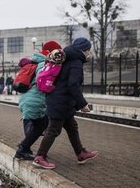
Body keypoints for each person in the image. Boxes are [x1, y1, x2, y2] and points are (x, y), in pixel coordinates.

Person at [33, 37, 98, 169]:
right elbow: (73, 85)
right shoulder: (76, 63)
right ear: (85, 50)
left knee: (72, 128)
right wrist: (83, 104)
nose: (89, 53)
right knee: (53, 130)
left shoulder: (66, 57)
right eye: (89, 50)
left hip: (59, 100)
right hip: (61, 101)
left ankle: (80, 153)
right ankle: (40, 157)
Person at [15, 40, 62, 160]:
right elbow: (43, 83)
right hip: (35, 100)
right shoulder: (43, 63)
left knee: (39, 125)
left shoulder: (34, 62)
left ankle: (25, 148)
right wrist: (52, 87)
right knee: (40, 126)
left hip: (26, 99)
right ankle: (23, 149)